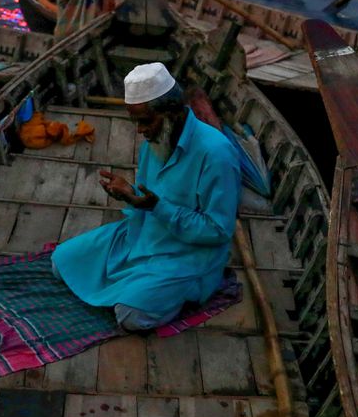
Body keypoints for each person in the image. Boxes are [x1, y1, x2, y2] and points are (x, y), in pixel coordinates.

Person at [51, 62, 240, 331]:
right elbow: (149, 198)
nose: (140, 130)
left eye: (145, 121)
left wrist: (157, 207)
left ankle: (176, 291)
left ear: (172, 112)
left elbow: (219, 230)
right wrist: (130, 195)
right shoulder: (155, 141)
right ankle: (140, 283)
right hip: (142, 237)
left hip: (187, 256)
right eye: (135, 122)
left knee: (131, 316)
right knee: (61, 262)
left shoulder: (216, 153)